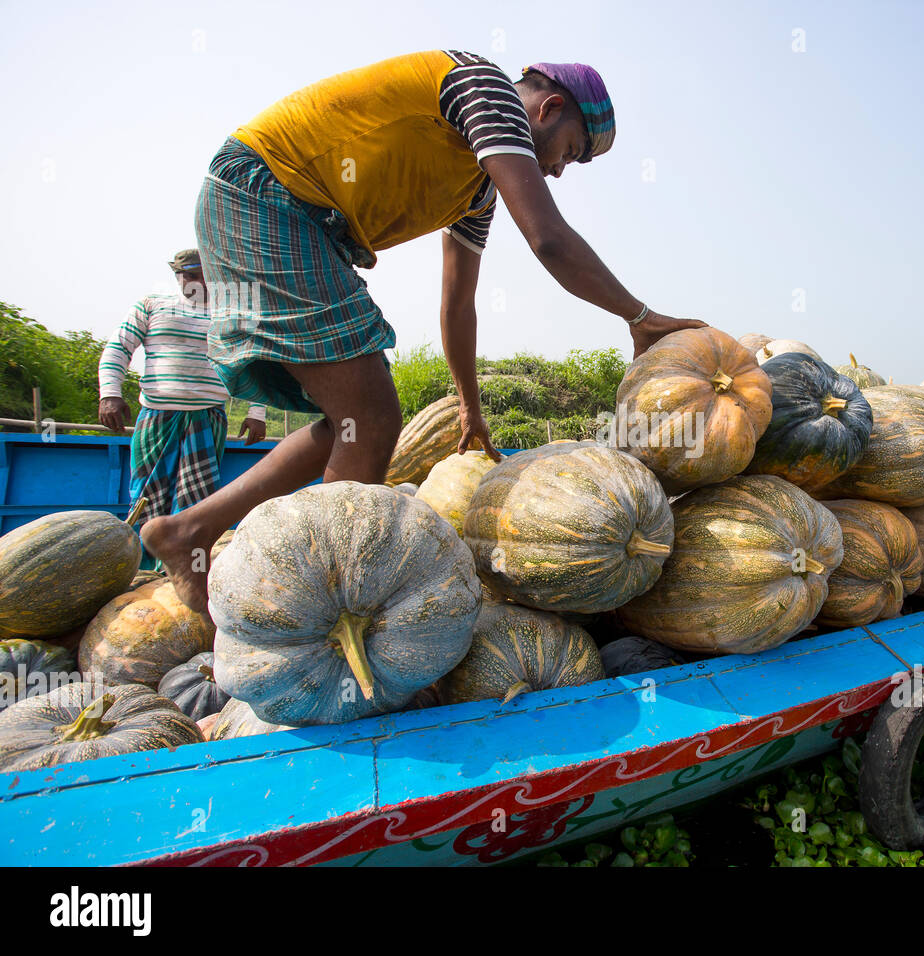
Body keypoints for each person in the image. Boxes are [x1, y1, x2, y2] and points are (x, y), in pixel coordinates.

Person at [144, 50, 705, 611]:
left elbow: (458, 303)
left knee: (350, 421)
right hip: (268, 193)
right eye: (571, 152)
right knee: (371, 417)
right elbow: (549, 239)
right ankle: (321, 602)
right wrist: (640, 317)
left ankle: (189, 530)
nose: (558, 170)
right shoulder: (489, 91)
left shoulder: (476, 190)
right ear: (551, 107)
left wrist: (470, 405)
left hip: (294, 216)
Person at [99, 249, 267, 568]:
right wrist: (109, 393)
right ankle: (140, 568)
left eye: (206, 276)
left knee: (197, 498)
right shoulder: (151, 304)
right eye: (191, 276)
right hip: (157, 415)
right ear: (178, 277)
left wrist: (256, 413)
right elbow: (117, 349)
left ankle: (181, 571)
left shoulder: (230, 313)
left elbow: (253, 364)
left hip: (207, 416)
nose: (199, 282)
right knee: (148, 493)